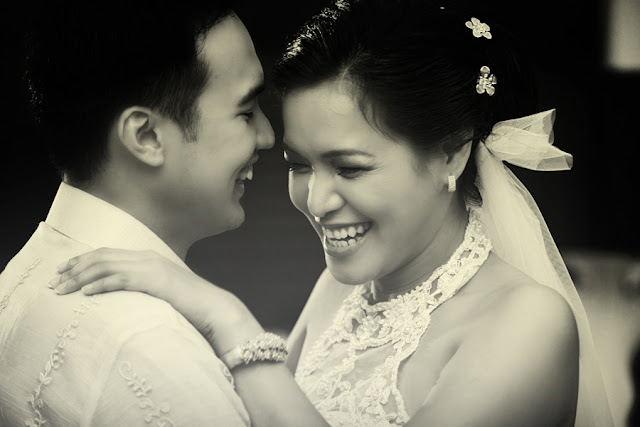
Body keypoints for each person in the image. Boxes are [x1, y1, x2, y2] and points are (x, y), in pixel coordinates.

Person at [50, 0, 614, 426]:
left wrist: (227, 318)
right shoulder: (341, 289)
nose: (316, 202)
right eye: (299, 164)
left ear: (451, 153)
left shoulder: (529, 320)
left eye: (349, 168)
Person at [0, 2, 274, 426]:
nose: (268, 135)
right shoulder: (154, 348)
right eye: (246, 112)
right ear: (146, 136)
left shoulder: (18, 278)